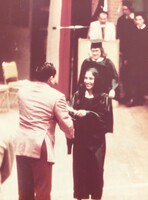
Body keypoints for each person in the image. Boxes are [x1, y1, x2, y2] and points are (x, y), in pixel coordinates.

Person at [14, 62, 74, 200]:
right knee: (42, 190)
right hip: (40, 146)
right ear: (51, 78)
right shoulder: (57, 96)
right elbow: (66, 124)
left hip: (22, 144)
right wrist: (72, 133)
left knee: (24, 191)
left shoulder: (22, 91)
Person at [68, 67, 111, 200]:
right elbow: (70, 115)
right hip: (81, 140)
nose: (88, 81)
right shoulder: (77, 95)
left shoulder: (104, 98)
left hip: (96, 142)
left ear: (96, 79)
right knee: (80, 172)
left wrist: (87, 114)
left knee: (96, 172)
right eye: (86, 78)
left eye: (91, 78)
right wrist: (72, 112)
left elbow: (105, 121)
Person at [78, 41, 119, 132]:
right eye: (93, 51)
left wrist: (113, 89)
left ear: (101, 51)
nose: (95, 53)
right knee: (87, 118)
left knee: (100, 120)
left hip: (102, 94)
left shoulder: (107, 63)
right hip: (89, 94)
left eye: (96, 51)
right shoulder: (86, 62)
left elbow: (114, 77)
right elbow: (81, 79)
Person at [116, 0, 135, 103]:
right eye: (123, 9)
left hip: (131, 52)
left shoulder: (133, 21)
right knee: (123, 75)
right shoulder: (120, 20)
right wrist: (119, 49)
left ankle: (131, 96)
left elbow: (134, 38)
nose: (124, 11)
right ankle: (125, 95)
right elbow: (118, 35)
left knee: (131, 75)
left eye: (126, 9)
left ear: (129, 10)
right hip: (122, 51)